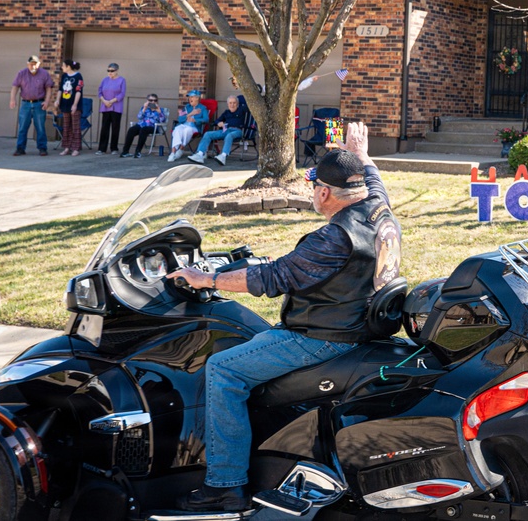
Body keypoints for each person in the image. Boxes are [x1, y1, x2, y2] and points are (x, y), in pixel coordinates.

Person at [168, 122, 401, 513]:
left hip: (325, 334)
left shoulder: (334, 238)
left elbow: (271, 278)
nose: (312, 192)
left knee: (224, 368)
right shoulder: (377, 204)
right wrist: (359, 153)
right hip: (360, 322)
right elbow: (372, 174)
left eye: (314, 187)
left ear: (325, 193)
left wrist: (205, 277)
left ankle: (225, 485)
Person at [10, 55, 54, 156]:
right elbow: (15, 86)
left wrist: (47, 101)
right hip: (25, 103)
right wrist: (12, 99)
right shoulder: (21, 73)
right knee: (22, 127)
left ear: (39, 64)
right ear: (27, 64)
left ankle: (42, 148)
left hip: (39, 103)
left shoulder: (44, 74)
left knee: (40, 127)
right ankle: (20, 148)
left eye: (35, 64)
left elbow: (48, 88)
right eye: (31, 64)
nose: (33, 66)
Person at [187, 95, 249, 166]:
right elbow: (216, 121)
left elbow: (251, 106)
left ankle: (223, 156)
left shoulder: (242, 110)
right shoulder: (226, 112)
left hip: (237, 131)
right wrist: (219, 123)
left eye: (234, 103)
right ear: (227, 104)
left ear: (237, 104)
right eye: (230, 103)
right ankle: (200, 154)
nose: (232, 105)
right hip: (225, 130)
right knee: (208, 134)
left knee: (229, 135)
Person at [168, 89, 208, 162]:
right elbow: (180, 119)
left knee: (187, 130)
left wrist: (195, 120)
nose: (190, 99)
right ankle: (173, 152)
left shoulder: (202, 108)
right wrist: (191, 114)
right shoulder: (186, 107)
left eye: (192, 97)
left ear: (197, 98)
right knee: (177, 130)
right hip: (184, 125)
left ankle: (181, 148)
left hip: (194, 127)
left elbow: (206, 119)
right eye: (189, 97)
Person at [96, 63, 127, 155]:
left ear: (117, 71)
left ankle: (114, 148)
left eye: (112, 71)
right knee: (104, 127)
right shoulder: (104, 80)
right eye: (108, 71)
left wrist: (111, 101)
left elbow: (122, 93)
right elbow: (99, 92)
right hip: (105, 106)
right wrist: (104, 101)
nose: (110, 73)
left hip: (116, 107)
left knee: (115, 128)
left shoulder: (122, 80)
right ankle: (102, 148)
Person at [55, 60, 84, 156]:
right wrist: (57, 100)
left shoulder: (78, 76)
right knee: (66, 127)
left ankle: (76, 148)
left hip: (74, 105)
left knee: (75, 127)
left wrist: (75, 105)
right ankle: (67, 147)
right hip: (65, 104)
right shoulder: (64, 76)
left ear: (68, 67)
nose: (62, 67)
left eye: (63, 65)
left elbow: (78, 91)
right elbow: (60, 89)